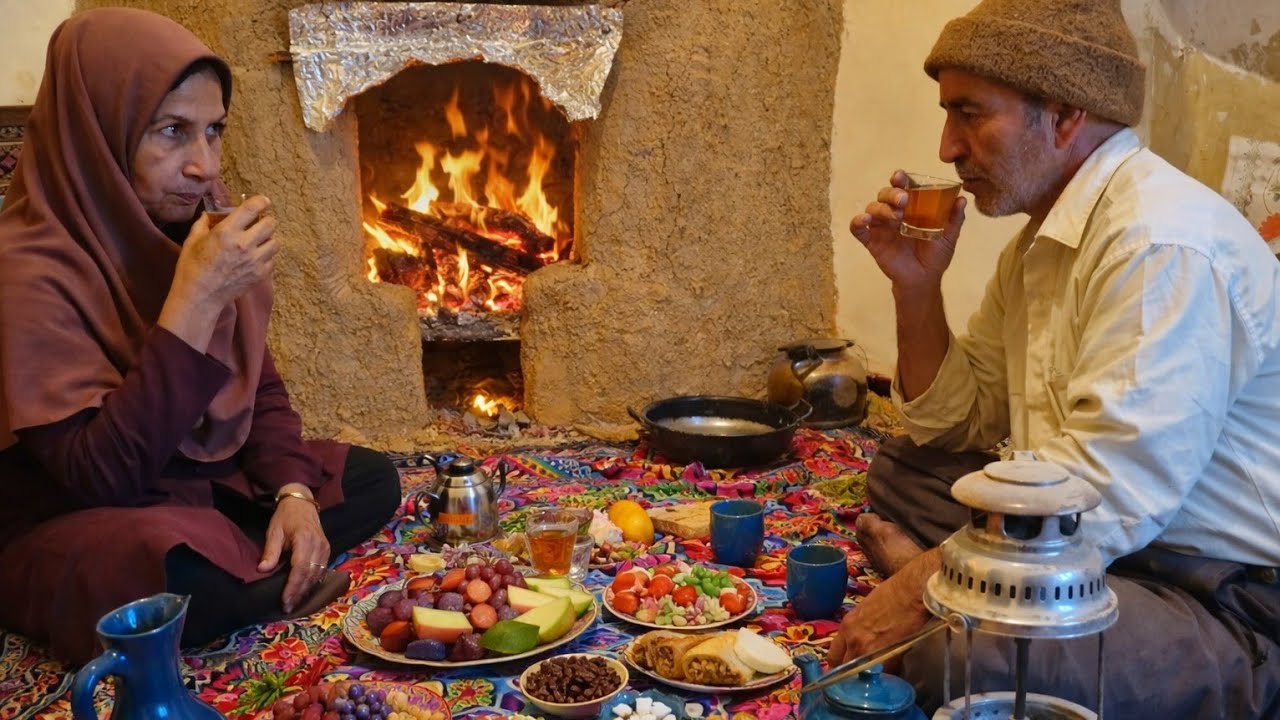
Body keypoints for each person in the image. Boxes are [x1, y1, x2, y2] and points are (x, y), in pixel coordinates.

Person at [830, 0, 1280, 717]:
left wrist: (918, 585)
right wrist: (916, 289)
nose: (946, 147)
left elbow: (1106, 494)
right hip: (1095, 547)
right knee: (902, 470)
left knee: (964, 659)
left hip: (1215, 591)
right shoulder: (1038, 247)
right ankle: (965, 588)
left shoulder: (1160, 244)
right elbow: (959, 420)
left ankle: (1217, 672)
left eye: (969, 114)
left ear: (1066, 115)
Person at [0, 8, 402, 664]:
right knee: (162, 567)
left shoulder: (187, 227)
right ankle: (251, 574)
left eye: (213, 131)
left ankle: (253, 560)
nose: (204, 166)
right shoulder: (25, 270)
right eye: (172, 132)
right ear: (96, 134)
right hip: (78, 516)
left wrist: (294, 494)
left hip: (191, 484)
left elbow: (258, 388)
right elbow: (102, 477)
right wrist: (197, 298)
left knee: (370, 478)